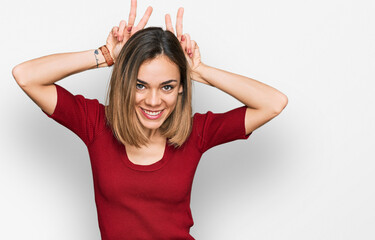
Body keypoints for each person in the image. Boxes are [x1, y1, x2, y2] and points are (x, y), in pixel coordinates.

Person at [12, 0, 288, 239]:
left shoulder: (197, 132)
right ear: (124, 82)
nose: (153, 101)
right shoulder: (95, 123)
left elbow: (273, 103)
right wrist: (106, 55)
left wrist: (201, 71)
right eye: (140, 85)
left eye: (167, 86)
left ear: (182, 87)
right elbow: (26, 76)